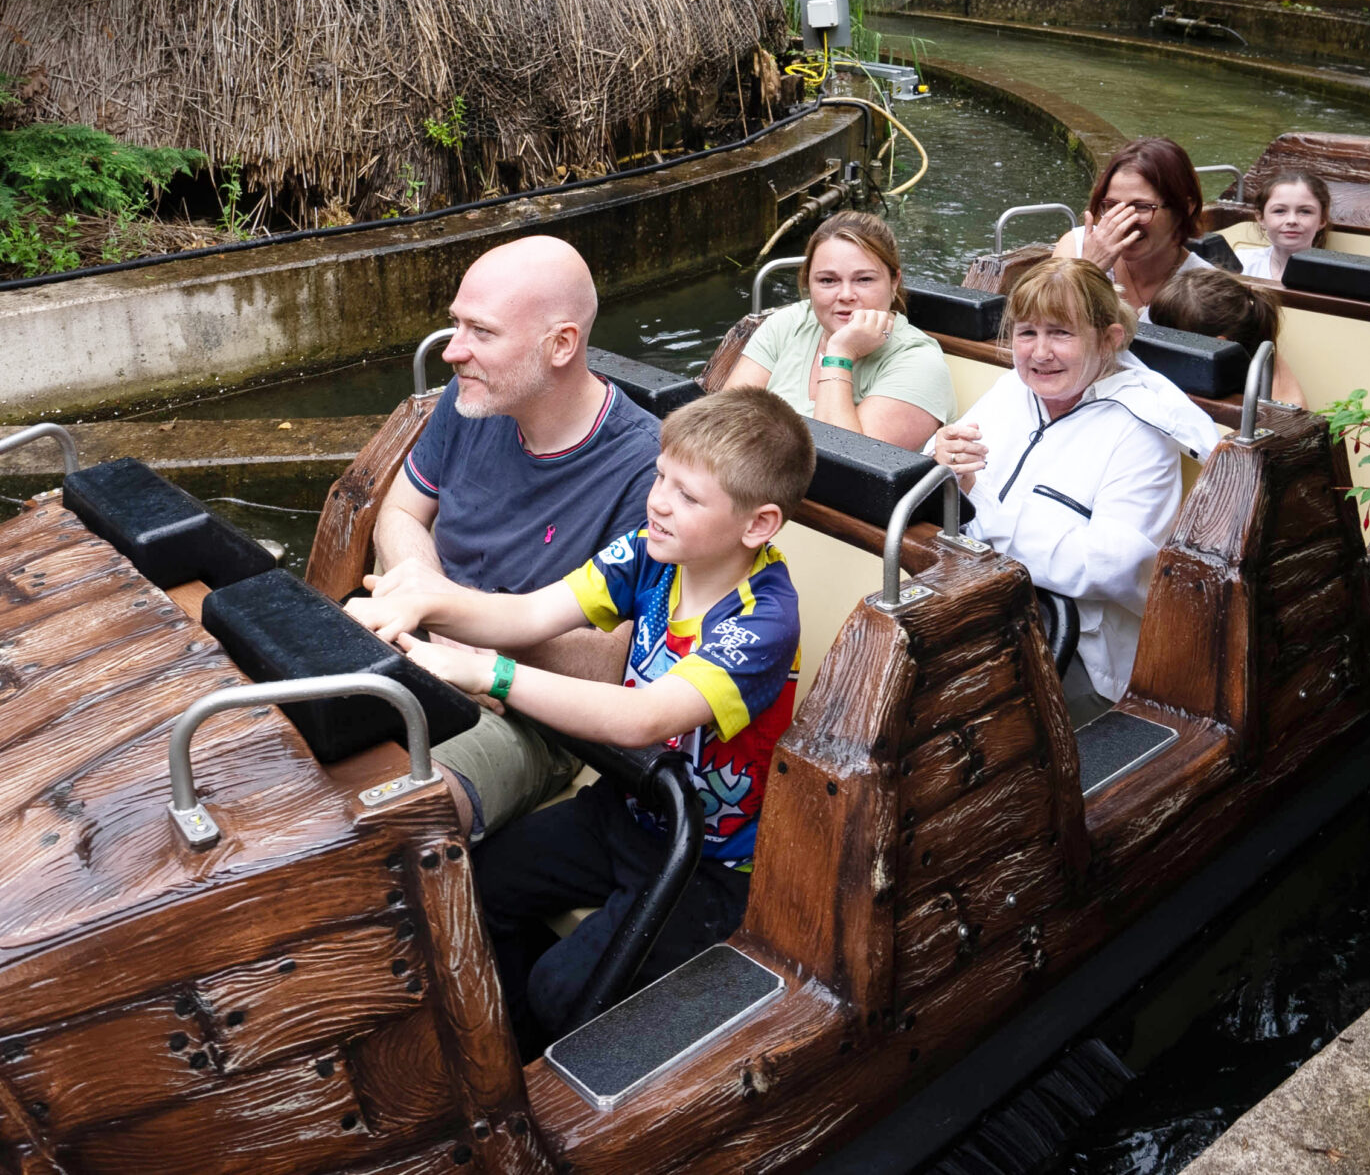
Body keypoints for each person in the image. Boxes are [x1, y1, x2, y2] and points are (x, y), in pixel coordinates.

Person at [355, 388, 815, 1048]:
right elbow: (530, 614)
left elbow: (644, 718)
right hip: (627, 808)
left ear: (758, 525)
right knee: (475, 885)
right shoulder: (651, 554)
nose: (658, 501)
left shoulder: (762, 619)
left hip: (707, 859)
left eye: (687, 496)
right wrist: (422, 606)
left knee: (561, 990)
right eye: (660, 477)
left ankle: (564, 1069)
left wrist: (490, 672)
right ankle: (500, 1048)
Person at [375, 235, 664, 842]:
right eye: (455, 324)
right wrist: (430, 606)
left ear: (561, 344)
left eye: (481, 332)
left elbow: (610, 661)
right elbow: (398, 513)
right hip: (422, 640)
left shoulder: (647, 470)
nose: (453, 351)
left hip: (535, 711)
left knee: (400, 822)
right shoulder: (467, 399)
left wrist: (467, 636)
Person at [928, 259, 1221, 708]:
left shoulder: (1143, 428)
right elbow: (942, 471)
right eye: (1027, 333)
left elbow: (1111, 565)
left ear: (1109, 340)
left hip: (1078, 650)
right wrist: (938, 460)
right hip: (980, 607)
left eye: (1061, 333)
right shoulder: (1016, 388)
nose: (1040, 352)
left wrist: (973, 505)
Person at [723, 210, 951, 449]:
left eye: (864, 279)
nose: (845, 295)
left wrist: (841, 354)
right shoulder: (788, 324)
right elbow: (725, 423)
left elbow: (847, 461)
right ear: (807, 282)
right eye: (827, 280)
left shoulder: (919, 363)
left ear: (894, 282)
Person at [1053, 136, 1217, 320]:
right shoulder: (1075, 248)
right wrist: (1090, 271)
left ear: (1185, 208)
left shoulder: (1205, 290)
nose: (1125, 221)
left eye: (1141, 206)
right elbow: (1046, 325)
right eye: (1112, 205)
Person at [1150, 265, 1310, 409]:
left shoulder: (1267, 401)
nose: (1154, 342)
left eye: (1169, 337)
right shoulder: (1247, 351)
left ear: (1214, 345)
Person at [1234, 171, 1331, 281]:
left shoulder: (1334, 276)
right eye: (1279, 211)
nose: (1292, 220)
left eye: (1305, 211)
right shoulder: (1240, 264)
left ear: (1322, 220)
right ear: (1261, 218)